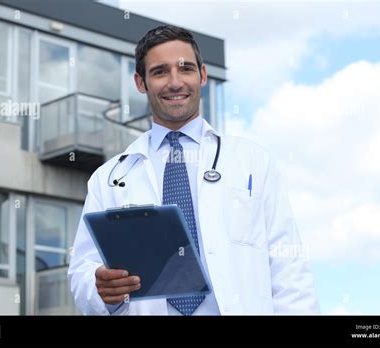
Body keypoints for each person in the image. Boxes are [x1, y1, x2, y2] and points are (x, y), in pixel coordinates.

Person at [68, 25, 319, 315]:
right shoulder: (109, 178)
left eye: (185, 69)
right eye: (160, 72)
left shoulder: (253, 162)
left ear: (202, 75)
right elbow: (82, 272)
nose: (175, 83)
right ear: (141, 82)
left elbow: (289, 270)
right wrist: (102, 291)